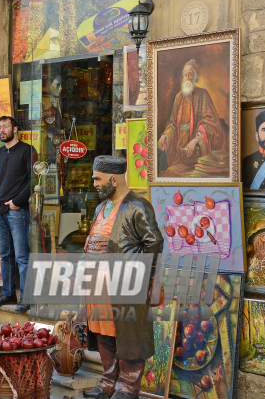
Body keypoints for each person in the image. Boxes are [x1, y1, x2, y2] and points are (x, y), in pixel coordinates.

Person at [82, 156, 163, 399]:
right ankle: (108, 383)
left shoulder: (137, 205)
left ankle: (127, 388)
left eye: (98, 179)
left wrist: (143, 277)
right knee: (103, 331)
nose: (94, 183)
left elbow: (154, 242)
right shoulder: (100, 207)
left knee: (128, 334)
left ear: (114, 179)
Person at [0, 116, 33, 313]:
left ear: (15, 128)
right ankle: (8, 293)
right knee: (5, 256)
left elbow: (34, 180)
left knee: (22, 256)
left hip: (17, 211)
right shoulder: (0, 153)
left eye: (5, 126)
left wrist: (17, 201)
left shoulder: (27, 150)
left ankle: (26, 298)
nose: (2, 130)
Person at [157, 59, 225, 176]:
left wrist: (195, 141)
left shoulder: (203, 94)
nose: (188, 77)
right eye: (185, 74)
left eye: (190, 74)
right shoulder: (178, 97)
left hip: (196, 150)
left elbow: (210, 123)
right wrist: (164, 135)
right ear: (183, 77)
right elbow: (173, 124)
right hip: (178, 149)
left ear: (195, 77)